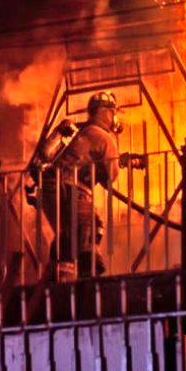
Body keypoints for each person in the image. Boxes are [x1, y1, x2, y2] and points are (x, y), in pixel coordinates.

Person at [30, 91, 121, 282]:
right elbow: (110, 178)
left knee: (67, 234)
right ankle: (87, 281)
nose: (115, 118)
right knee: (91, 228)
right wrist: (115, 160)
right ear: (107, 112)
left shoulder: (79, 131)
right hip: (71, 189)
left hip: (49, 188)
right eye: (114, 113)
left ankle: (55, 279)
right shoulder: (106, 138)